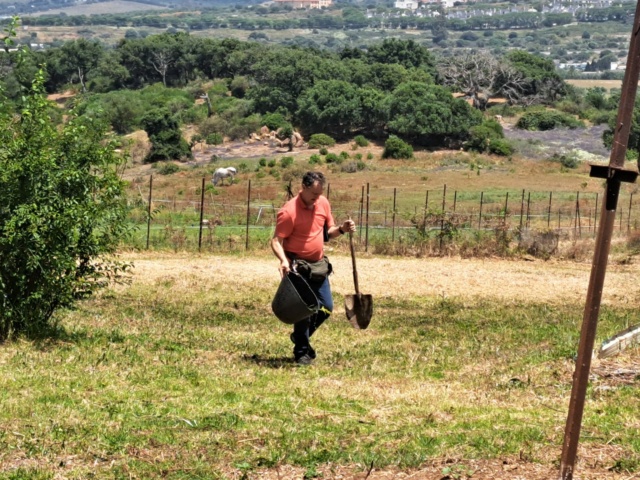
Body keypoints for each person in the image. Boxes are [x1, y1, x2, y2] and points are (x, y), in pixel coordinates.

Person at [271, 171, 356, 366]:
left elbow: (329, 232)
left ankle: (301, 337)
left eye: (319, 194)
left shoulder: (323, 203)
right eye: (313, 195)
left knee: (326, 307)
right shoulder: (289, 211)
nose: (317, 199)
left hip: (318, 266)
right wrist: (284, 261)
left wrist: (342, 229)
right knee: (304, 310)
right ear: (303, 187)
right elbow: (276, 241)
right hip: (298, 267)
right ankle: (302, 352)